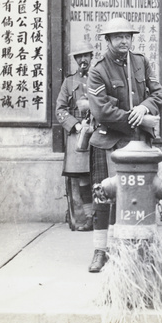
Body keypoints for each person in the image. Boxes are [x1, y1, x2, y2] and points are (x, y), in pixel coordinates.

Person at [86, 17, 162, 273]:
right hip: (109, 141)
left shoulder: (140, 62)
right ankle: (100, 250)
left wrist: (143, 107)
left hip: (138, 143)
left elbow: (158, 95)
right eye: (118, 36)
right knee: (103, 196)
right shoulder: (98, 70)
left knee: (138, 198)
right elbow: (103, 112)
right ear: (108, 40)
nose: (124, 41)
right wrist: (136, 120)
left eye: (127, 36)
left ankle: (135, 250)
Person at [56, 40, 94, 231]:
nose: (82, 60)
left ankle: (103, 217)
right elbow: (60, 110)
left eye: (86, 55)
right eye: (79, 57)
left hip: (98, 132)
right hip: (77, 135)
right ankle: (88, 218)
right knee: (83, 179)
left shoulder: (99, 77)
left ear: (91, 57)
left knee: (102, 179)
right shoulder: (69, 81)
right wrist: (76, 125)